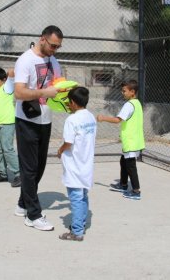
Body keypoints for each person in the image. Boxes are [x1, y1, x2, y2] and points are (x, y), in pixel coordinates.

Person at [13, 25, 64, 231]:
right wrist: (45, 91)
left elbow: (58, 87)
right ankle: (33, 215)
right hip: (27, 120)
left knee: (39, 166)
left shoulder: (54, 61)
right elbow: (19, 93)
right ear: (42, 39)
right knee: (29, 167)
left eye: (58, 47)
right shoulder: (25, 60)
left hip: (45, 120)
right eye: (52, 45)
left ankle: (22, 203)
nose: (54, 49)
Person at [56, 87, 97, 242]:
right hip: (86, 165)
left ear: (72, 102)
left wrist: (60, 151)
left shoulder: (72, 120)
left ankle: (77, 232)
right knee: (83, 196)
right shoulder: (90, 117)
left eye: (68, 101)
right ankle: (81, 224)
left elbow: (68, 142)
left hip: (74, 166)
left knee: (76, 199)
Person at [96, 80, 144, 200]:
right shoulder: (137, 103)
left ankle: (136, 191)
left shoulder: (129, 105)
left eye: (124, 91)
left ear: (132, 92)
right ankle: (123, 184)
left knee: (130, 166)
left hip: (131, 141)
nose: (122, 93)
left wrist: (103, 118)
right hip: (135, 139)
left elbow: (118, 120)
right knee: (123, 161)